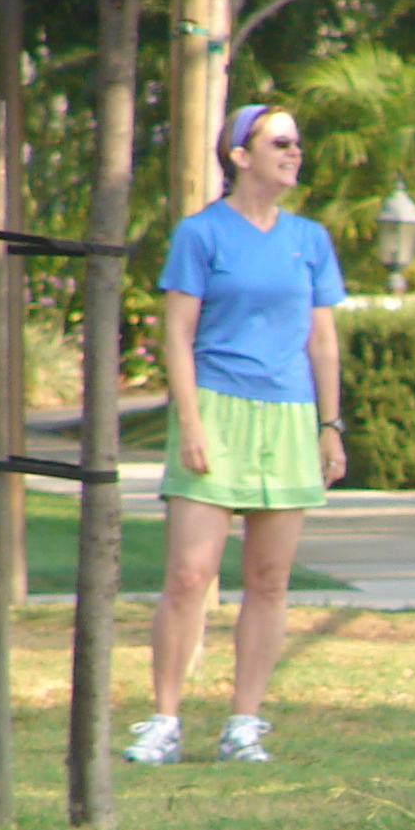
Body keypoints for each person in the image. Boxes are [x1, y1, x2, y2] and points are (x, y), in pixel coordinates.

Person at [124, 103, 347, 768]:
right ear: (240, 156)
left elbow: (323, 342)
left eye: (297, 141)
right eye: (280, 141)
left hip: (289, 415)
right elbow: (177, 336)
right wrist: (190, 423)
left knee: (270, 579)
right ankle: (164, 721)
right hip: (216, 410)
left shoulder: (311, 240)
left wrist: (329, 426)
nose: (294, 151)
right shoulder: (200, 234)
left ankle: (243, 724)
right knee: (189, 575)